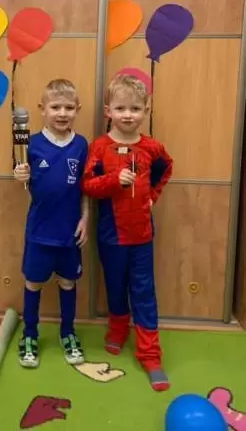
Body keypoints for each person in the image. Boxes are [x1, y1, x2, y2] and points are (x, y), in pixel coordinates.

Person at [81, 74, 173, 392]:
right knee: (115, 287)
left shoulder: (152, 148)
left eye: (135, 108)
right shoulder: (99, 147)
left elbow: (165, 168)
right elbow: (87, 185)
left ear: (146, 110)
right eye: (121, 108)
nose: (128, 115)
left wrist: (152, 196)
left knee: (144, 293)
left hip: (142, 237)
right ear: (108, 111)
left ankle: (150, 354)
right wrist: (113, 181)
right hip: (111, 236)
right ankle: (118, 329)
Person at [14, 79, 89, 368]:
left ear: (77, 110)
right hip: (39, 232)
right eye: (56, 107)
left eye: (69, 107)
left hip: (69, 233)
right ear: (42, 109)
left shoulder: (81, 145)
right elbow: (22, 177)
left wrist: (85, 218)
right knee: (33, 283)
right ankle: (30, 334)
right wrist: (19, 175)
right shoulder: (30, 144)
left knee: (68, 282)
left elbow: (84, 189)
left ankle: (67, 332)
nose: (62, 113)